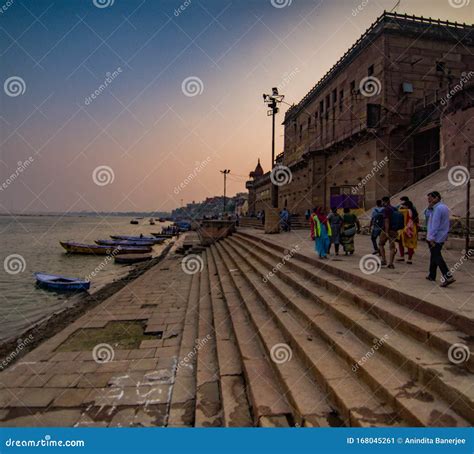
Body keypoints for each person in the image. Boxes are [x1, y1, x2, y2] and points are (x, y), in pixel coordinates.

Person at [426, 191, 455, 287]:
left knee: (437, 256)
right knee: (433, 255)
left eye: (430, 198)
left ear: (436, 198)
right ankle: (432, 274)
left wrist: (431, 237)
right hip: (441, 235)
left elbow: (435, 224)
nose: (429, 200)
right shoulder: (442, 207)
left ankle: (448, 276)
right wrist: (429, 209)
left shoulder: (438, 209)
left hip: (436, 236)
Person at [379, 196, 401, 269]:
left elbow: (386, 221)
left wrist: (386, 232)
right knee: (392, 247)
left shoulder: (386, 209)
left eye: (382, 202)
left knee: (381, 244)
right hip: (394, 230)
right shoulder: (394, 208)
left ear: (385, 202)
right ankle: (391, 263)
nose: (381, 203)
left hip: (387, 230)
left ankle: (384, 260)